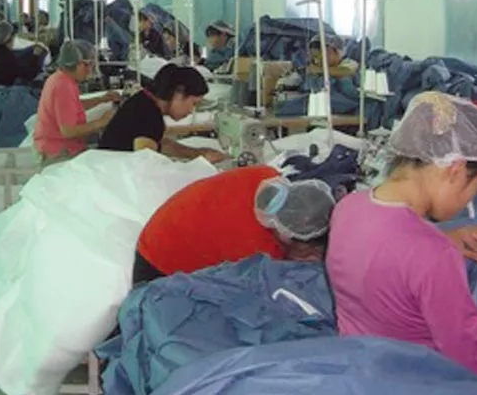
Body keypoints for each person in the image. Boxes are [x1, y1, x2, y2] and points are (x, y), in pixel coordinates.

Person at [326, 91, 477, 382]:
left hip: (358, 377)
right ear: (456, 169)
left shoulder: (347, 208)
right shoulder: (432, 255)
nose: (471, 199)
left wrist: (441, 237)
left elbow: (387, 245)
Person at [133, 167, 335, 284]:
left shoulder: (266, 175)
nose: (312, 259)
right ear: (285, 236)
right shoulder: (257, 252)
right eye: (306, 253)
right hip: (158, 264)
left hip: (168, 223)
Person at [98, 64, 226, 162]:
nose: (191, 111)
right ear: (178, 93)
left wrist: (198, 154)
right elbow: (146, 163)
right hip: (111, 178)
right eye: (193, 103)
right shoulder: (148, 113)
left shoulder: (144, 101)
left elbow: (159, 143)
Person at [33, 40, 121, 166]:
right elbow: (68, 131)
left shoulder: (62, 79)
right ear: (78, 64)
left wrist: (102, 99)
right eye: (89, 65)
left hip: (57, 146)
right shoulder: (62, 86)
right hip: (59, 153)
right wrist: (101, 122)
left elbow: (72, 106)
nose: (90, 70)